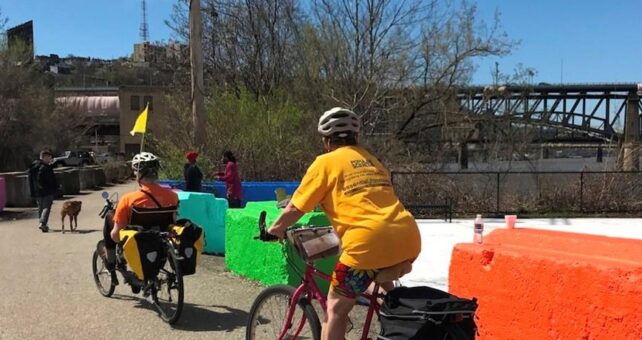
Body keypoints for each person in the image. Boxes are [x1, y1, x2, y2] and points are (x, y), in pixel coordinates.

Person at [267, 107, 421, 340]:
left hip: (366, 242)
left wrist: (275, 229)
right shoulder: (372, 160)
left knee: (335, 310)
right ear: (356, 137)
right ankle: (401, 313)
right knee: (369, 271)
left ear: (326, 141)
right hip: (408, 236)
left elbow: (296, 207)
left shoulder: (325, 163)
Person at [103, 152, 179, 274]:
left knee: (108, 217)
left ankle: (110, 262)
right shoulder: (173, 196)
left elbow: (116, 236)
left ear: (139, 174)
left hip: (138, 241)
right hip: (161, 238)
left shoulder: (128, 199)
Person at [28, 149, 58, 233]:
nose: (50, 159)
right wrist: (55, 188)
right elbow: (49, 180)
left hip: (36, 191)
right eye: (49, 157)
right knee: (46, 207)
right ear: (44, 157)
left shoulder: (33, 166)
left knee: (40, 207)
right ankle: (43, 223)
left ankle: (41, 223)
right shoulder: (45, 168)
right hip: (46, 190)